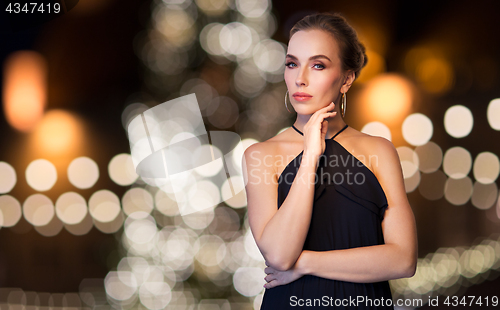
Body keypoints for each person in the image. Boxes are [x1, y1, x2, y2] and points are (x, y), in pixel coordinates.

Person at [242, 12, 418, 309]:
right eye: (292, 63)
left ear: (347, 78)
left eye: (318, 65)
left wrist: (305, 263)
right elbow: (280, 256)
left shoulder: (379, 151)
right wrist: (310, 155)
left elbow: (403, 260)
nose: (300, 78)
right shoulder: (260, 155)